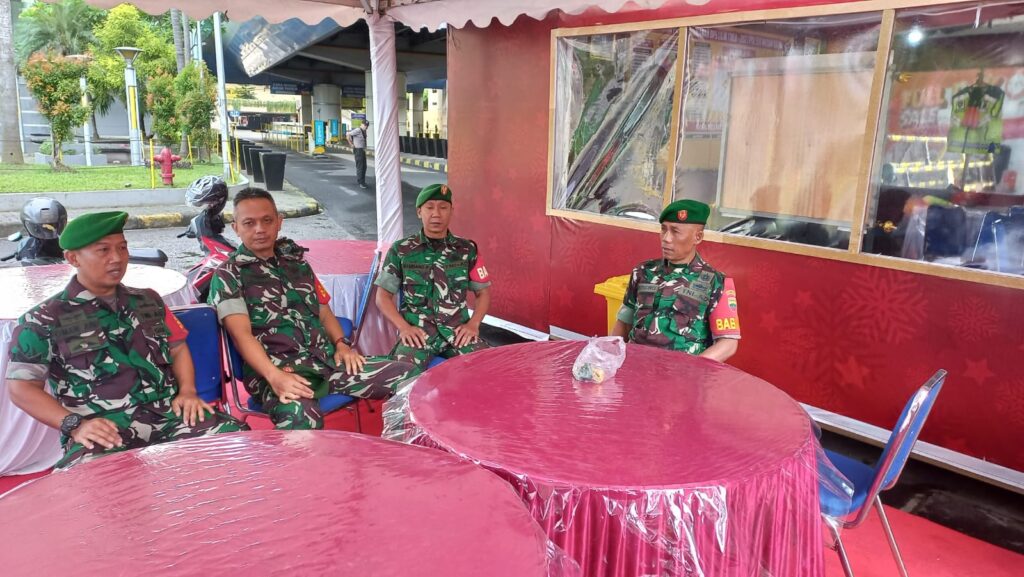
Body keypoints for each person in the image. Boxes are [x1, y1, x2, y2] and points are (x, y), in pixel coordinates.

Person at [7, 211, 247, 469]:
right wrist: (74, 425)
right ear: (73, 258)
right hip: (104, 429)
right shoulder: (43, 319)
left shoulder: (148, 300)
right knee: (93, 480)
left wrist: (188, 391)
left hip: (169, 415)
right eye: (103, 250)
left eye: (122, 248)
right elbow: (22, 388)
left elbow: (177, 348)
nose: (117, 258)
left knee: (237, 443)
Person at [209, 188, 415, 430]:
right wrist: (274, 377)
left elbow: (324, 312)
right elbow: (241, 335)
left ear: (279, 222)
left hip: (327, 361)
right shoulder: (228, 275)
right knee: (300, 416)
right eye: (249, 223)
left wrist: (342, 344)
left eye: (267, 220)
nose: (260, 229)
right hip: (279, 371)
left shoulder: (298, 266)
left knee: (409, 376)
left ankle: (401, 444)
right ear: (236, 228)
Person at [375, 184, 491, 375]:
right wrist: (404, 328)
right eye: (429, 207)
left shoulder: (467, 249)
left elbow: (483, 292)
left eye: (443, 207)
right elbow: (382, 297)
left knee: (488, 369)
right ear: (419, 212)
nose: (436, 214)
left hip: (458, 332)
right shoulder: (401, 250)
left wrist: (473, 324)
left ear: (451, 211)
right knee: (400, 377)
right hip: (418, 334)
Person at [612, 200, 741, 362]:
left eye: (675, 231)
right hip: (636, 363)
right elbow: (623, 324)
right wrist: (610, 357)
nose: (666, 238)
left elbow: (728, 343)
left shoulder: (716, 282)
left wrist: (693, 367)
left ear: (698, 237)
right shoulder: (643, 271)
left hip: (681, 371)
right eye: (663, 229)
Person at [346, 120, 369, 188]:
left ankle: (363, 181)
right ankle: (360, 182)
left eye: (367, 126)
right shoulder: (358, 130)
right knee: (360, 167)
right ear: (361, 124)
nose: (366, 127)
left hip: (362, 150)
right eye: (365, 125)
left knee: (364, 166)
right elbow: (348, 134)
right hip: (358, 150)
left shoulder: (363, 131)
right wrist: (351, 144)